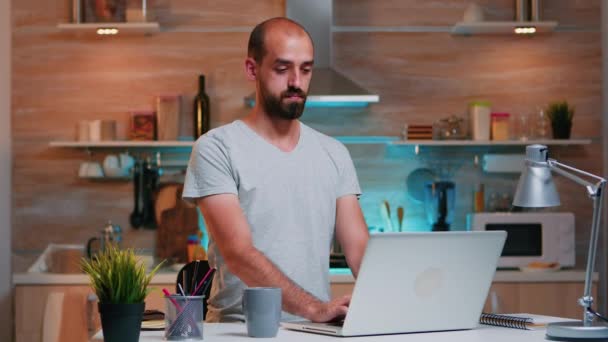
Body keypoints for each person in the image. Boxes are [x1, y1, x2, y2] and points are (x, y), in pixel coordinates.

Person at [183, 17, 369, 323]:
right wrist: (313, 308)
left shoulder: (334, 154)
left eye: (306, 69)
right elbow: (239, 253)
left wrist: (398, 301)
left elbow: (360, 252)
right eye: (282, 69)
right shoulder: (216, 148)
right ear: (252, 69)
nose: (296, 81)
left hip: (315, 331)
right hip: (241, 331)